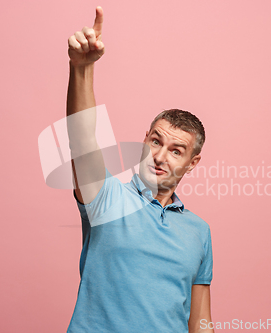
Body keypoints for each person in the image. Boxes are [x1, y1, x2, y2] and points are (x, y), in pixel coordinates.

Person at [65, 6, 214, 333]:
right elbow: (82, 139)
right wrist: (81, 68)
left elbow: (201, 322)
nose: (161, 156)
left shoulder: (199, 232)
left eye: (176, 151)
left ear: (192, 163)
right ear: (144, 139)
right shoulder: (104, 198)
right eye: (156, 142)